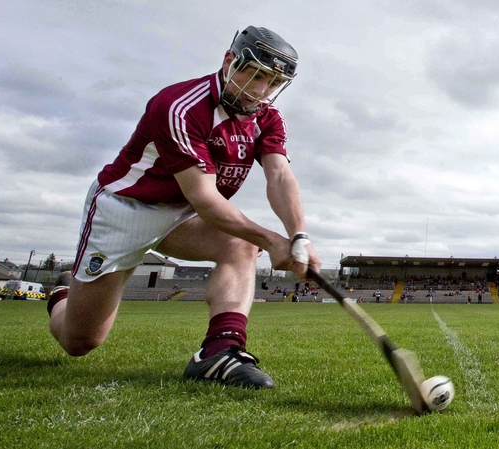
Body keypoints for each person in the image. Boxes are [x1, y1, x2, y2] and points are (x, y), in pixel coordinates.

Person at [45, 26, 320, 390]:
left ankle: (219, 352)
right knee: (79, 341)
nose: (259, 90)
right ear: (228, 61)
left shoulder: (267, 117)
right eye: (253, 74)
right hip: (126, 210)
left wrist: (298, 235)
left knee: (240, 245)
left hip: (181, 216)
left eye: (271, 82)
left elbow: (280, 176)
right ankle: (64, 295)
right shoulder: (179, 106)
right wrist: (272, 239)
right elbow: (204, 197)